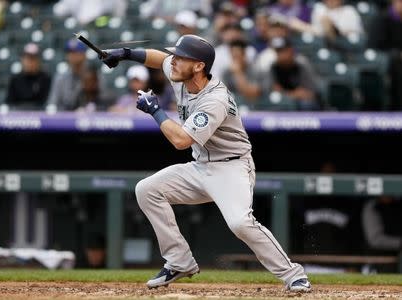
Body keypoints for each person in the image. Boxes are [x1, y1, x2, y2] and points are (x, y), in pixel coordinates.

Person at [99, 34, 311, 292]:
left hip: (231, 167)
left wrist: (155, 110)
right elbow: (160, 59)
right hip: (201, 166)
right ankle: (179, 261)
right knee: (147, 190)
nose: (174, 61)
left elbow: (181, 141)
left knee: (240, 223)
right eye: (175, 56)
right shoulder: (183, 74)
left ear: (199, 66)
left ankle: (293, 274)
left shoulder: (215, 99)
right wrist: (124, 54)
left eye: (180, 57)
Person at [261, 37, 320, 110]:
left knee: (307, 104)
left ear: (291, 50)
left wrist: (293, 94)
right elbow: (272, 90)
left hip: (300, 102)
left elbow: (311, 93)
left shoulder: (301, 64)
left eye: (283, 51)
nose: (280, 54)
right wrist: (293, 94)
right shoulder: (273, 67)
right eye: (278, 51)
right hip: (283, 100)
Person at [47, 39, 106, 111]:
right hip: (65, 117)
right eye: (70, 52)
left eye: (76, 52)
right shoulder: (61, 77)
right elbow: (52, 102)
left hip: (89, 117)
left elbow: (103, 101)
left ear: (84, 54)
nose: (72, 56)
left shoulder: (94, 75)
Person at [5, 43, 51, 110]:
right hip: (18, 116)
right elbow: (9, 103)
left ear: (38, 61)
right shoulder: (15, 79)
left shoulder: (46, 79)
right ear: (22, 60)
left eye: (33, 58)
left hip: (39, 114)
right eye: (27, 58)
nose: (29, 62)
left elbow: (47, 103)